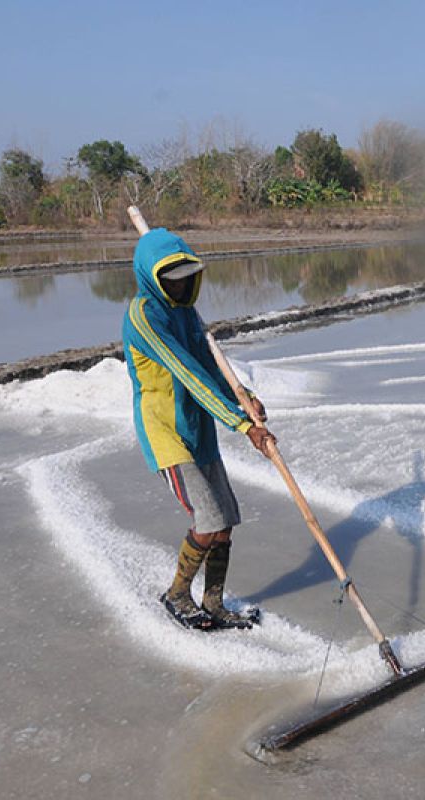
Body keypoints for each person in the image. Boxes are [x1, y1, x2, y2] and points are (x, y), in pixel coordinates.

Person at [121, 227, 275, 630]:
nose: (182, 284)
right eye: (172, 279)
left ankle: (214, 602)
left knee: (224, 522)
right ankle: (176, 594)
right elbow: (189, 374)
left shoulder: (186, 314)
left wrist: (245, 398)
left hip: (198, 427)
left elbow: (211, 368)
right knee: (208, 519)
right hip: (166, 432)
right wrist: (243, 426)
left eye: (187, 276)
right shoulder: (144, 317)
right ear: (152, 278)